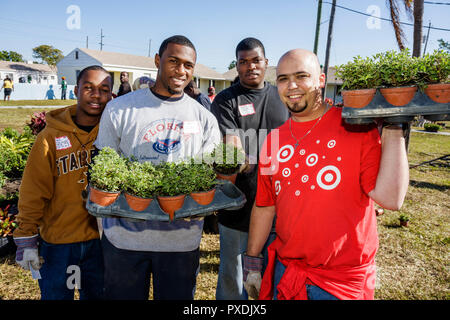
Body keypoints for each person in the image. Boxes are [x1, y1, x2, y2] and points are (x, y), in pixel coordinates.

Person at [243, 49, 409, 300]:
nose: (292, 86)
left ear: (321, 80)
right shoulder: (273, 139)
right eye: (283, 79)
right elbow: (265, 206)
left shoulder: (355, 127)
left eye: (301, 76)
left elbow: (391, 198)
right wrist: (253, 261)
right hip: (287, 273)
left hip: (341, 282)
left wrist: (394, 125)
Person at [94, 35, 221, 300]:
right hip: (124, 240)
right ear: (157, 61)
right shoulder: (120, 109)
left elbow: (210, 177)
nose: (181, 70)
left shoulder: (204, 118)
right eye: (174, 61)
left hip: (181, 242)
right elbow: (101, 169)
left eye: (188, 65)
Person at [13, 65, 113, 300]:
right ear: (75, 90)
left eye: (104, 89)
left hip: (102, 243)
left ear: (111, 95)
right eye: (88, 88)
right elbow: (33, 189)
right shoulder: (50, 137)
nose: (96, 95)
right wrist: (27, 238)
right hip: (59, 243)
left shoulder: (113, 134)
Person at [210, 37, 289, 300]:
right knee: (233, 281)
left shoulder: (283, 96)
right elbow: (232, 151)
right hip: (238, 205)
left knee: (274, 280)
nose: (250, 66)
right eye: (243, 62)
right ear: (237, 66)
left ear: (266, 63)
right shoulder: (225, 100)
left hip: (282, 207)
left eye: (256, 60)